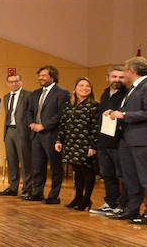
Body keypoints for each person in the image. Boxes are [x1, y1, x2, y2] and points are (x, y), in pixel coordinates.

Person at [106, 56, 147, 225]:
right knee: (130, 177)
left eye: (125, 70)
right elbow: (129, 110)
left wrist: (124, 115)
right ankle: (132, 209)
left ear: (132, 71)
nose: (123, 74)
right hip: (129, 139)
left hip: (143, 139)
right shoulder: (133, 88)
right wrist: (114, 112)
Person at [24, 65, 70, 204]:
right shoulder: (36, 93)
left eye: (44, 75)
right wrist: (31, 123)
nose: (40, 78)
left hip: (52, 134)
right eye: (39, 75)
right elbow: (29, 111)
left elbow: (61, 114)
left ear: (53, 76)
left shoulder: (62, 93)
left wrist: (44, 125)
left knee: (55, 167)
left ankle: (53, 195)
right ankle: (37, 192)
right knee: (37, 166)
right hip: (36, 135)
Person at [55, 78, 100, 211]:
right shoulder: (69, 105)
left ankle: (86, 199)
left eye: (87, 86)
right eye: (81, 85)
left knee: (87, 171)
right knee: (77, 171)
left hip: (85, 143)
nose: (84, 88)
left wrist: (93, 145)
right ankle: (78, 197)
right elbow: (62, 124)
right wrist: (59, 140)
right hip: (71, 142)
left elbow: (95, 127)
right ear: (75, 89)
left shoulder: (94, 105)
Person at [91, 66, 127, 216]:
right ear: (108, 78)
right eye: (114, 77)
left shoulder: (128, 93)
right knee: (107, 174)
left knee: (122, 175)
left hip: (119, 142)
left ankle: (123, 205)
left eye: (120, 77)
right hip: (104, 141)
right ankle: (110, 203)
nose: (117, 80)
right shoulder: (105, 94)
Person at [0, 73, 33, 197]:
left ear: (21, 82)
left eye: (16, 81)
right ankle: (13, 187)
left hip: (23, 132)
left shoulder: (28, 95)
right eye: (11, 82)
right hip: (9, 131)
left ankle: (28, 188)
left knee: (25, 161)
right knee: (11, 160)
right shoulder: (6, 97)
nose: (14, 84)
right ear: (7, 84)